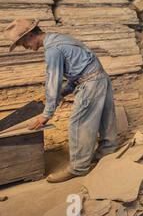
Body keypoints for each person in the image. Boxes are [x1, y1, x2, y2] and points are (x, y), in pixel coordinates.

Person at [4, 18, 117, 183]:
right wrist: (64, 92)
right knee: (106, 116)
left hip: (91, 84)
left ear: (29, 35)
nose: (25, 47)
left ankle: (78, 168)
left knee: (78, 124)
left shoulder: (52, 50)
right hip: (99, 77)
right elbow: (78, 69)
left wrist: (46, 114)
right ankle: (108, 150)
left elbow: (53, 82)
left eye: (22, 43)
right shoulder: (59, 38)